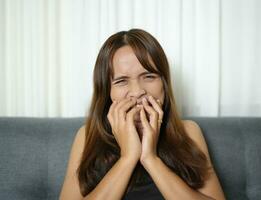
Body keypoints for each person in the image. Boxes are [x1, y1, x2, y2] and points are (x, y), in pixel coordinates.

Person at [59, 29, 226, 200]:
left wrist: (150, 159)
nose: (138, 92)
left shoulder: (188, 131)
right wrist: (128, 157)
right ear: (107, 92)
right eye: (121, 81)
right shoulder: (87, 136)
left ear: (164, 84)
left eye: (149, 76)